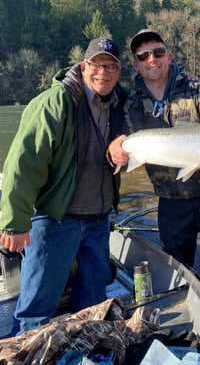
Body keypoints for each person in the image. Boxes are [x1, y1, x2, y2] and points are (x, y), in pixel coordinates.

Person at [110, 29, 200, 314]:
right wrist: (116, 145)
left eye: (158, 52)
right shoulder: (131, 104)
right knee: (177, 272)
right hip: (171, 203)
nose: (152, 59)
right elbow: (120, 137)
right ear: (135, 63)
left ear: (168, 57)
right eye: (143, 55)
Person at [0, 37, 128, 335]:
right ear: (84, 66)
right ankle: (28, 349)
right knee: (37, 307)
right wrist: (15, 223)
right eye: (97, 65)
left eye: (111, 66)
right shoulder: (54, 103)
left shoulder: (120, 103)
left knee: (93, 304)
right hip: (56, 219)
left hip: (98, 221)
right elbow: (22, 165)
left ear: (118, 71)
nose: (103, 73)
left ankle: (86, 348)